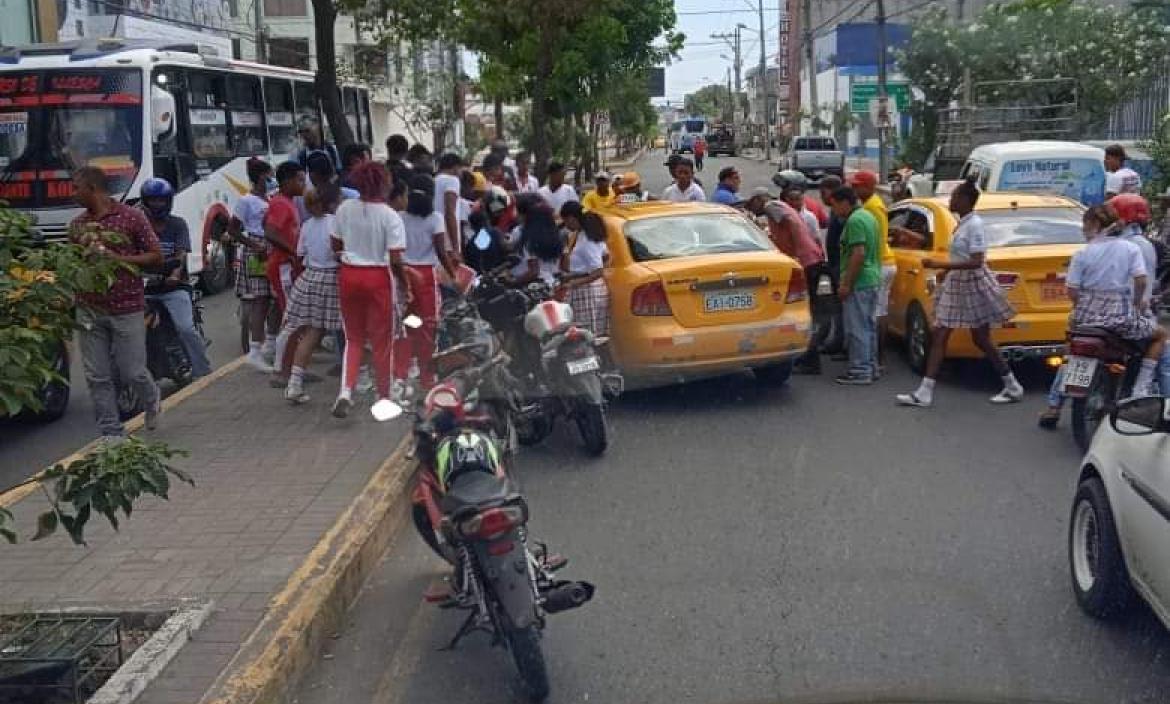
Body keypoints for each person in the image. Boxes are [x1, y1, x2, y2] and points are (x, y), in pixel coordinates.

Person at [896, 177, 1023, 407]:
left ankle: (1011, 384)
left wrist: (940, 266)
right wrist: (945, 274)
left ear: (965, 200)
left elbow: (976, 261)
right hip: (959, 283)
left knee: (975, 337)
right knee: (946, 334)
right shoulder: (964, 223)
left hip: (971, 284)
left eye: (955, 196)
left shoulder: (974, 226)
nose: (952, 200)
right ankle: (1010, 384)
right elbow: (963, 257)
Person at [1038, 205, 1167, 426]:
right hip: (1120, 320)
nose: (1083, 229)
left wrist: (1086, 306)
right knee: (1161, 336)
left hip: (1084, 321)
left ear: (1095, 225)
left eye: (1085, 224)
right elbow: (1141, 280)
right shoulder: (1131, 249)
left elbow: (1071, 291)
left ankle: (1054, 405)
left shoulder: (1082, 253)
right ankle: (1139, 389)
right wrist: (1138, 304)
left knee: (1070, 352)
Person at [69, 166, 163, 438]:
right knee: (97, 376)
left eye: (77, 188)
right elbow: (73, 263)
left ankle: (152, 397)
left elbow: (155, 256)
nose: (73, 194)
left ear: (93, 189)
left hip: (126, 307)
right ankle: (111, 432)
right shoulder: (77, 225)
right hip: (89, 309)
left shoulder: (131, 218)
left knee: (132, 371)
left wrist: (118, 260)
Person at [331, 161, 411, 418]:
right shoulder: (390, 216)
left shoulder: (345, 208)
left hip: (349, 275)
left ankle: (346, 390)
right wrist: (406, 287)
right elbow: (396, 259)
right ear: (384, 183)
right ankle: (384, 396)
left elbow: (335, 244)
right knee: (381, 342)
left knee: (353, 339)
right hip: (378, 278)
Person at [140, 177, 212, 379]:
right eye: (153, 200)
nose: (157, 204)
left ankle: (204, 373)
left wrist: (174, 275)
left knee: (185, 329)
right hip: (145, 290)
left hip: (174, 288)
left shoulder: (177, 224)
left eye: (161, 200)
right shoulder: (140, 226)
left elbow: (181, 254)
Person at [395, 173, 457, 396]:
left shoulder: (400, 217)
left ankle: (401, 375)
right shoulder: (435, 218)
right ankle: (426, 376)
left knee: (406, 326)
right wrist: (453, 274)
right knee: (428, 329)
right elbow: (441, 252)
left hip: (403, 274)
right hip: (426, 278)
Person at [281, 186, 344, 404]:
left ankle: (294, 383)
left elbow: (300, 254)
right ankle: (357, 379)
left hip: (310, 278)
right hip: (333, 279)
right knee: (351, 333)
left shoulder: (307, 226)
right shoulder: (336, 222)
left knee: (311, 333)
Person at [228, 158, 277, 370]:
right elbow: (233, 229)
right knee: (261, 300)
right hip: (256, 252)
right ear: (260, 177)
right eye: (269, 176)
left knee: (275, 299)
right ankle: (255, 350)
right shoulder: (246, 201)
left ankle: (271, 343)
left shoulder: (269, 198)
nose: (272, 179)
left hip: (272, 249)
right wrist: (253, 245)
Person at [850, 171, 896, 375]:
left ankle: (876, 359)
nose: (854, 189)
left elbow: (874, 239)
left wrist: (869, 268)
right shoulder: (873, 204)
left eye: (858, 186)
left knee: (874, 314)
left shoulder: (872, 207)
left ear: (869, 187)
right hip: (882, 261)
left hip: (879, 262)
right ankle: (876, 358)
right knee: (879, 311)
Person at [562, 211, 610, 337]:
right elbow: (606, 257)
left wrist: (576, 282)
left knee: (586, 333)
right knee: (595, 332)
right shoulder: (596, 239)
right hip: (595, 288)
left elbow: (598, 270)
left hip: (587, 291)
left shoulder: (586, 242)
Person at [511, 202, 564, 287]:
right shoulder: (558, 237)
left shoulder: (530, 241)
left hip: (537, 286)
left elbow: (534, 272)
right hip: (555, 283)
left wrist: (513, 282)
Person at [433, 152, 464, 256]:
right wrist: (455, 247)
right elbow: (450, 212)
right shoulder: (452, 180)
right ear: (455, 167)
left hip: (435, 239)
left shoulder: (433, 181)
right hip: (447, 241)